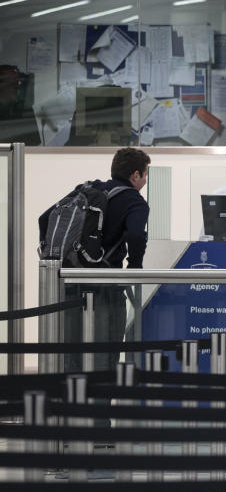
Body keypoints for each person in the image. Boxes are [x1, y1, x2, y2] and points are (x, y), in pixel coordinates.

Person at [38, 147, 150, 374]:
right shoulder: (135, 201)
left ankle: (70, 407)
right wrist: (134, 268)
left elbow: (44, 218)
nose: (145, 180)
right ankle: (97, 408)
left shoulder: (88, 189)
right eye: (145, 174)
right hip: (105, 289)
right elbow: (136, 235)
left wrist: (54, 255)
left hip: (70, 286)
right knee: (103, 359)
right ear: (135, 175)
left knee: (70, 355)